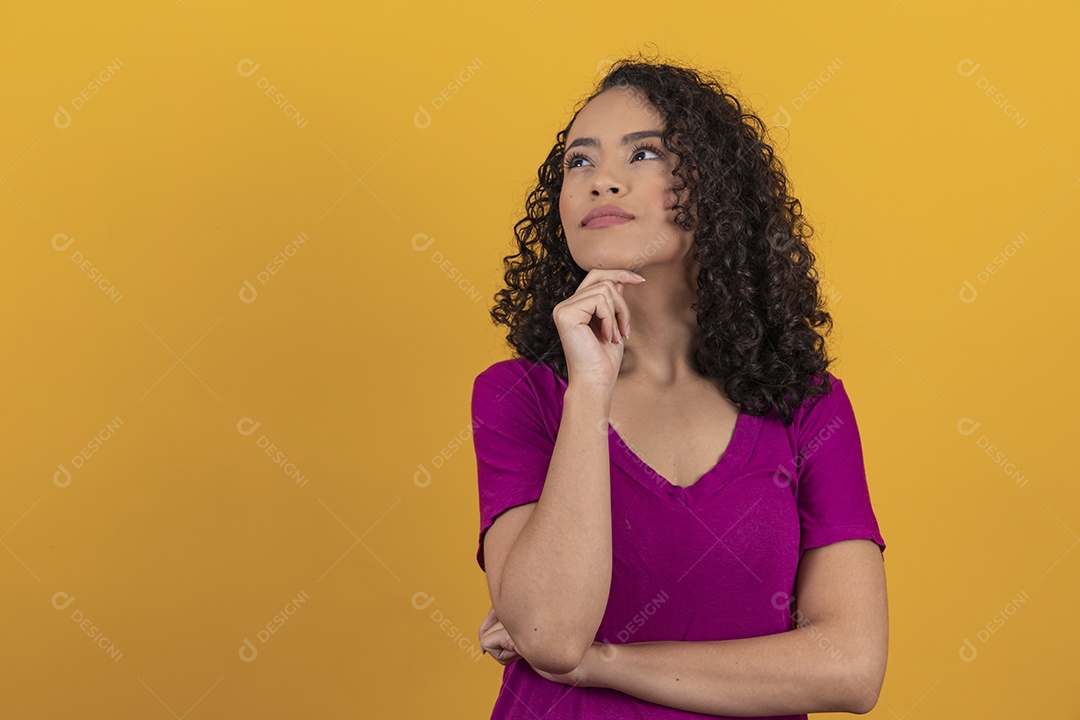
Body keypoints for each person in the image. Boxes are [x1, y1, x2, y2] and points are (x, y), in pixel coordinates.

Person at [470, 50, 887, 719]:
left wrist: (602, 662)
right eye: (580, 160)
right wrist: (589, 391)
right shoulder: (519, 396)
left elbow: (851, 667)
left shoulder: (807, 406)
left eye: (642, 155)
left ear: (715, 190)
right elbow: (550, 634)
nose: (601, 181)